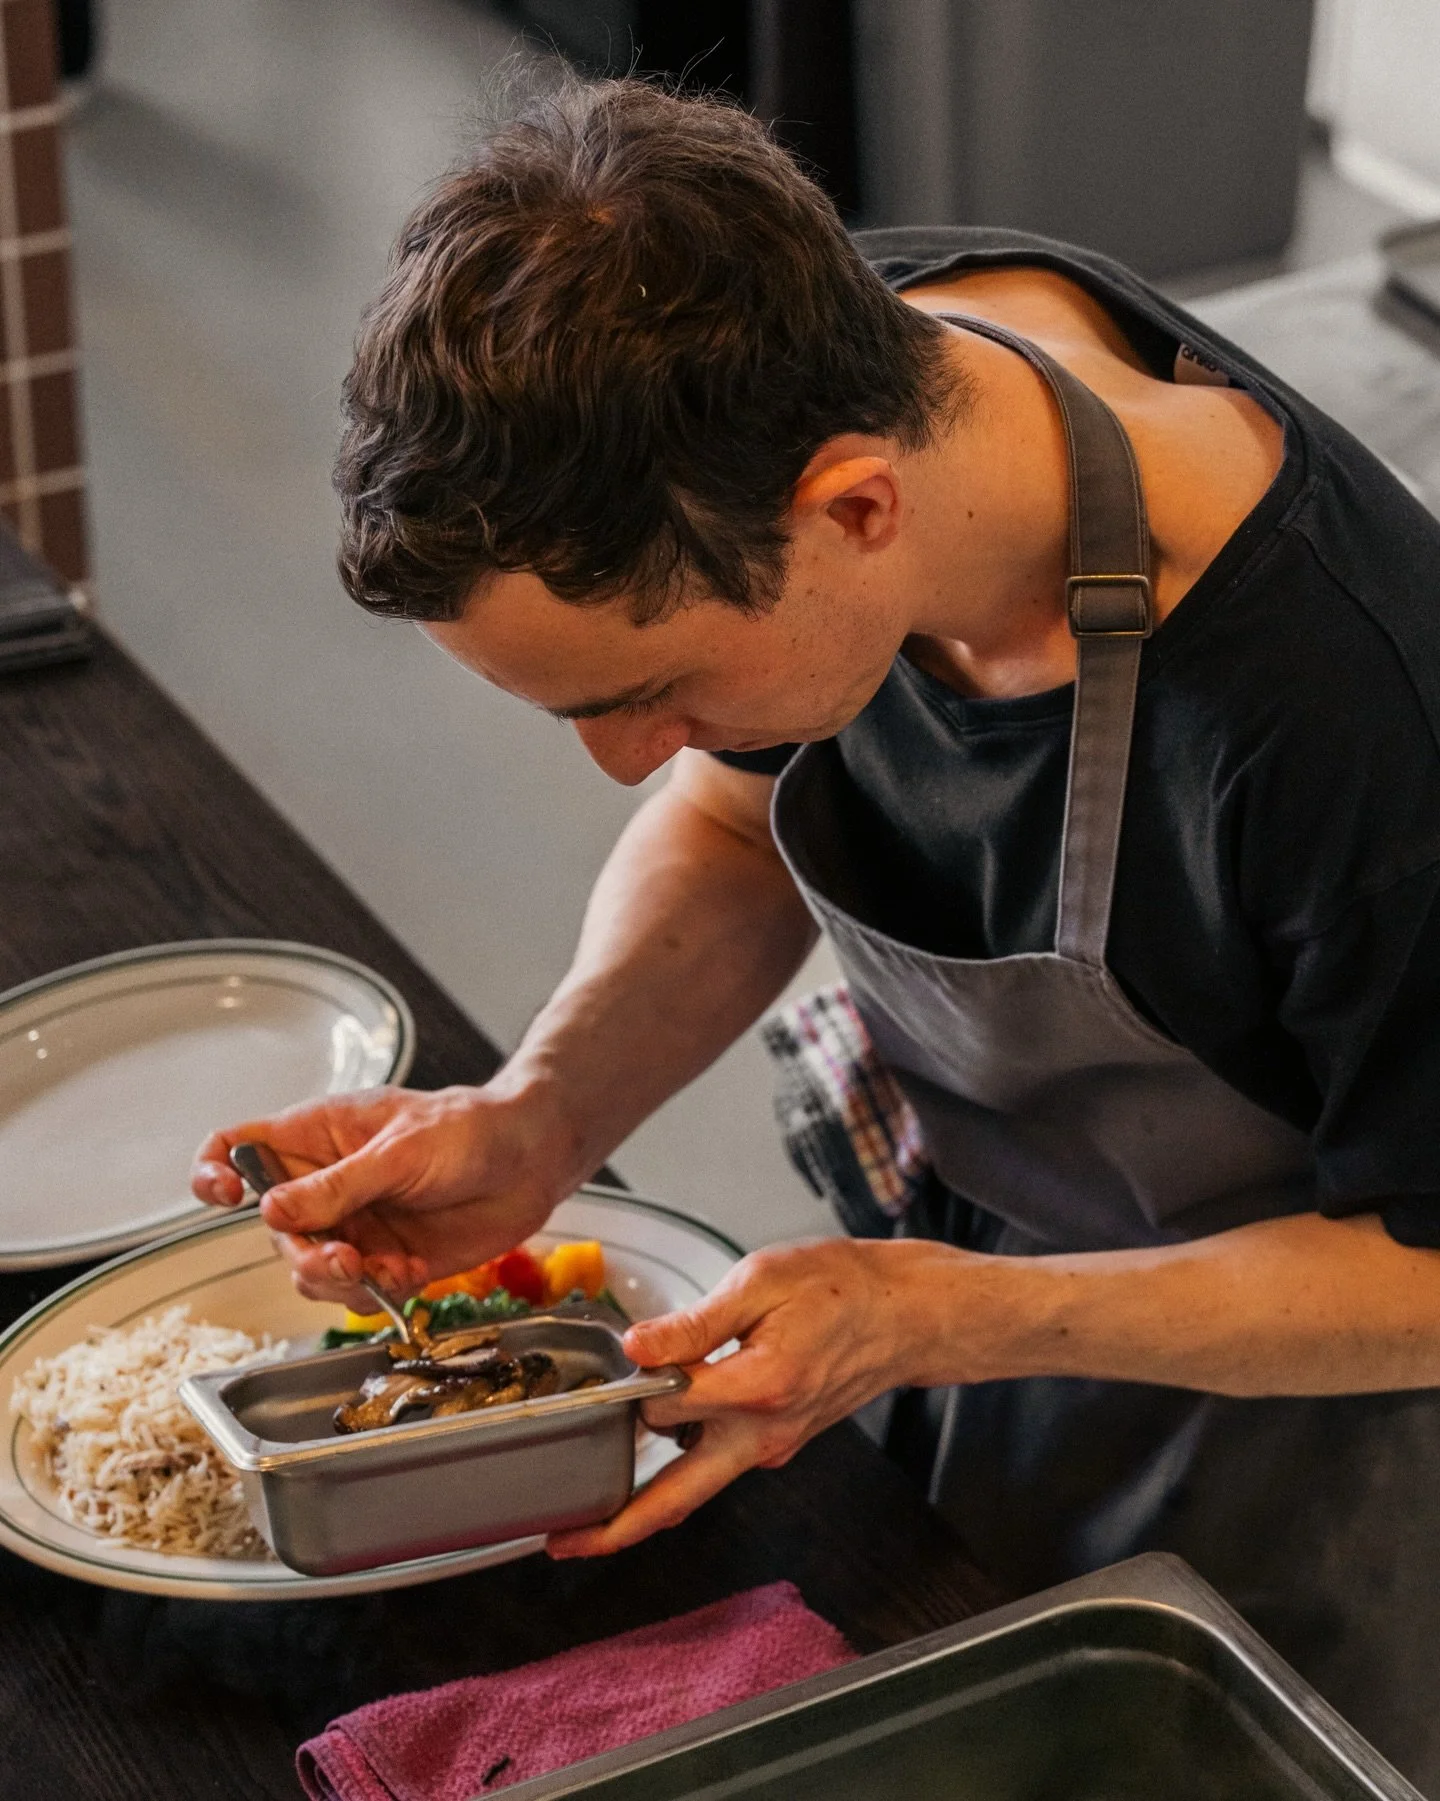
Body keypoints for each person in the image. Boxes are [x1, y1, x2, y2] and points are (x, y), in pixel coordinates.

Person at [192, 79, 1440, 1785]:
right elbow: (733, 816)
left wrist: (951, 1317)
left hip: (1330, 1458)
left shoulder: (1350, 719)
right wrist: (547, 1113)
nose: (629, 760)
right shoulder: (838, 372)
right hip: (973, 1316)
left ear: (856, 509)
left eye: (650, 690)